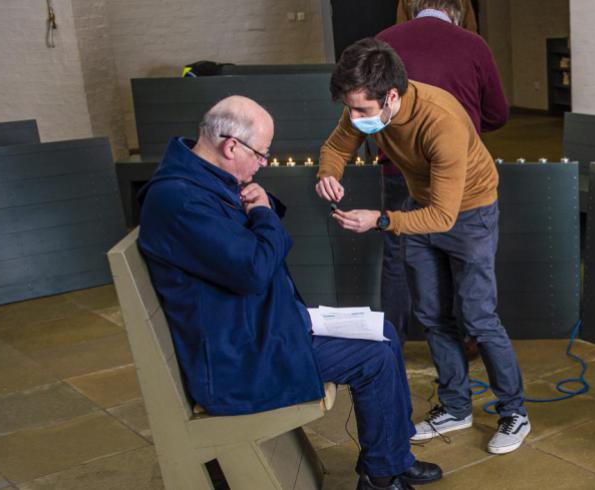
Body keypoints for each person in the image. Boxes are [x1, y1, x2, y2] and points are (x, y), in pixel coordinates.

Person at [136, 96, 441, 490]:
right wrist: (262, 213)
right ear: (231, 146)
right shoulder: (180, 199)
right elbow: (253, 270)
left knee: (383, 331)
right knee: (375, 356)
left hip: (256, 326)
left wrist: (261, 210)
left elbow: (247, 258)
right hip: (239, 357)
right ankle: (381, 478)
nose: (263, 164)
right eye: (261, 154)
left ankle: (394, 456)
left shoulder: (200, 180)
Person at [316, 38, 530, 455]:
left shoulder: (441, 120)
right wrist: (330, 172)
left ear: (391, 96)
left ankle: (514, 411)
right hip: (421, 205)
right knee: (432, 314)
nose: (355, 118)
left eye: (362, 110)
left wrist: (379, 220)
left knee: (478, 317)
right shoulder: (364, 105)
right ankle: (455, 406)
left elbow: (443, 218)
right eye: (350, 109)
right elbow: (336, 146)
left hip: (470, 213)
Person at [373, 0, 509, 343]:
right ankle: (468, 338)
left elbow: (370, 111)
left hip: (400, 169)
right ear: (458, 8)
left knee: (396, 255)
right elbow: (498, 113)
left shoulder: (383, 42)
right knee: (463, 253)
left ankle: (393, 340)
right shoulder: (472, 44)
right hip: (458, 171)